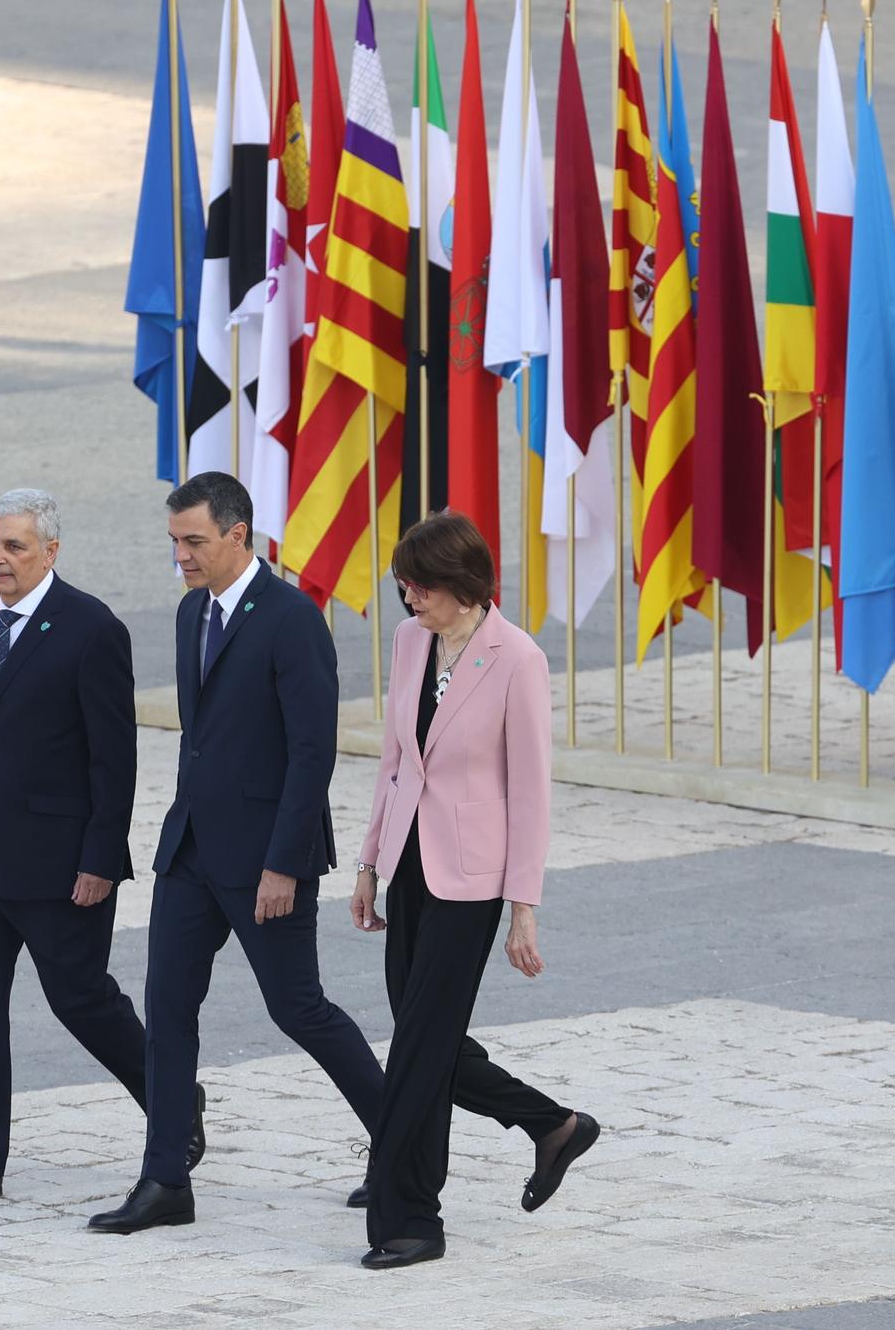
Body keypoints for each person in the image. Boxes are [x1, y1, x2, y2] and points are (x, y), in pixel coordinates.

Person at [89, 471, 385, 1234]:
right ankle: (165, 1180)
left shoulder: (291, 619)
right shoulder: (192, 614)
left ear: (237, 535)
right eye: (174, 542)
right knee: (167, 1006)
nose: (181, 556)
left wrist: (284, 862)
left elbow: (312, 749)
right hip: (190, 851)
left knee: (298, 1008)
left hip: (264, 861)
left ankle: (404, 1141)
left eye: (193, 541)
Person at [0, 489, 183, 1205]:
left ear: (50, 551)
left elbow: (112, 759)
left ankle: (176, 1101)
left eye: (15, 546)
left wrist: (98, 859)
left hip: (59, 864)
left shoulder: (91, 629)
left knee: (81, 999)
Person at [350, 512, 597, 1271]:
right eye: (403, 589)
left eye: (418, 588)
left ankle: (410, 1213)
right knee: (428, 1038)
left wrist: (524, 907)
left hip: (472, 882)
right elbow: (396, 760)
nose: (408, 600)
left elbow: (530, 791)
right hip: (410, 865)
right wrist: (368, 862)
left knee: (419, 1048)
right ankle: (551, 1122)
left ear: (461, 585)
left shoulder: (516, 658)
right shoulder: (410, 642)